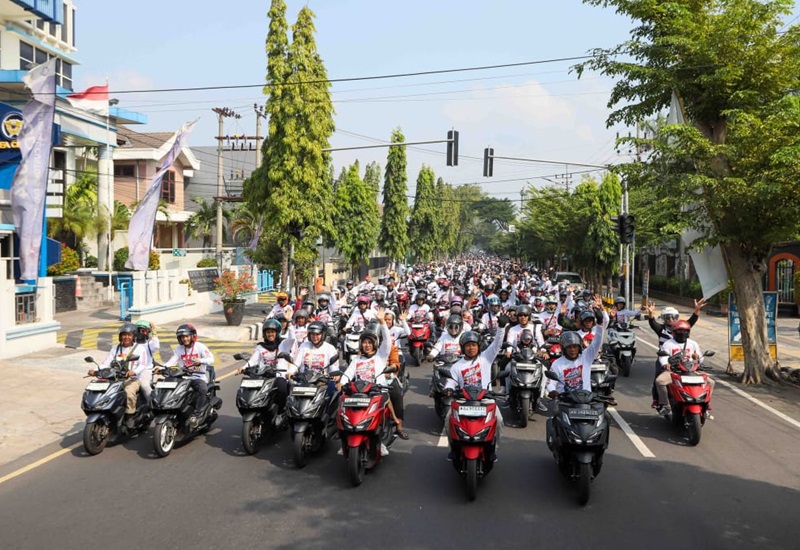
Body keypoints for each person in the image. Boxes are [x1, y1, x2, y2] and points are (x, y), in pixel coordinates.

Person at [339, 309, 405, 451]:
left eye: (370, 342)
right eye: (364, 342)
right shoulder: (356, 359)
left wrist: (382, 322)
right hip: (358, 393)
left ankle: (390, 425)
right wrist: (342, 382)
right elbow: (348, 373)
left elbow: (387, 341)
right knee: (342, 406)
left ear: (375, 344)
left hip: (376, 391)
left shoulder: (380, 356)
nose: (367, 345)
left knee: (387, 399)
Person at [443, 321, 507, 461]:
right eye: (468, 345)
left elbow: (497, 344)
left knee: (499, 420)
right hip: (463, 400)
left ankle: (492, 448)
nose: (471, 348)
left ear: (478, 347)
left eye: (474, 345)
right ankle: (454, 448)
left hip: (485, 399)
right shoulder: (457, 366)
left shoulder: (486, 358)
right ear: (462, 348)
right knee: (449, 419)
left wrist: (501, 327)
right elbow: (451, 381)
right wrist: (448, 388)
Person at [90, 322, 153, 429]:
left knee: (129, 392)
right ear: (120, 336)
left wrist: (134, 372)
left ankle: (129, 416)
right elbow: (106, 363)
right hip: (115, 378)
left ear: (133, 336)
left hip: (132, 379)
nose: (126, 337)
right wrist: (95, 370)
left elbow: (142, 364)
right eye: (124, 335)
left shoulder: (139, 348)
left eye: (129, 335)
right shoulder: (115, 349)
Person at [545, 296, 610, 397]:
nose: (572, 350)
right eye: (569, 347)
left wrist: (600, 321)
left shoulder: (586, 357)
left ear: (579, 347)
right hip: (566, 401)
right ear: (564, 349)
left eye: (575, 347)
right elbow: (550, 383)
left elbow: (598, 339)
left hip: (585, 399)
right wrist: (553, 391)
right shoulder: (557, 364)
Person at [645, 299, 705, 406]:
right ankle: (657, 400)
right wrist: (650, 312)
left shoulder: (682, 328)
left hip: (684, 362)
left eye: (673, 317)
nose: (671, 319)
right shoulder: (661, 330)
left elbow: (692, 320)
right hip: (665, 359)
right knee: (658, 379)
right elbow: (652, 322)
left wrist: (697, 309)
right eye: (668, 317)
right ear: (664, 319)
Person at [654, 320, 714, 416]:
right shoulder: (668, 344)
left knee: (710, 382)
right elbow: (663, 356)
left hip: (691, 370)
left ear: (689, 332)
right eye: (679, 331)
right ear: (674, 332)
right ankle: (665, 404)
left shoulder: (693, 343)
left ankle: (706, 405)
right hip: (674, 371)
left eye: (685, 331)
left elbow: (699, 357)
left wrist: (697, 357)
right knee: (660, 381)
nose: (682, 333)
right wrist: (666, 364)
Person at [163, 324, 214, 428]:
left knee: (202, 389)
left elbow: (211, 359)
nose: (184, 339)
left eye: (186, 336)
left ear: (192, 336)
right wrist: (162, 368)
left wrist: (201, 360)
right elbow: (172, 361)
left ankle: (197, 414)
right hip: (183, 378)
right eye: (182, 337)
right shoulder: (179, 349)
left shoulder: (200, 347)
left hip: (197, 377)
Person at [238, 319, 294, 413]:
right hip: (263, 376)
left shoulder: (283, 344)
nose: (270, 334)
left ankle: (282, 411)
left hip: (278, 375)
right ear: (264, 334)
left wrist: (290, 324)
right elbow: (253, 360)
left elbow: (292, 339)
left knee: (282, 388)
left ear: (277, 333)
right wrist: (243, 368)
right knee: (246, 389)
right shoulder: (260, 346)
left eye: (272, 332)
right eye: (268, 332)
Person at [134, 320, 159, 400]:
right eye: (139, 330)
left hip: (145, 371)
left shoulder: (149, 344)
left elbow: (156, 346)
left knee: (144, 385)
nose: (141, 333)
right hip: (132, 370)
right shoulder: (131, 344)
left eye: (143, 331)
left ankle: (152, 403)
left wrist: (154, 332)